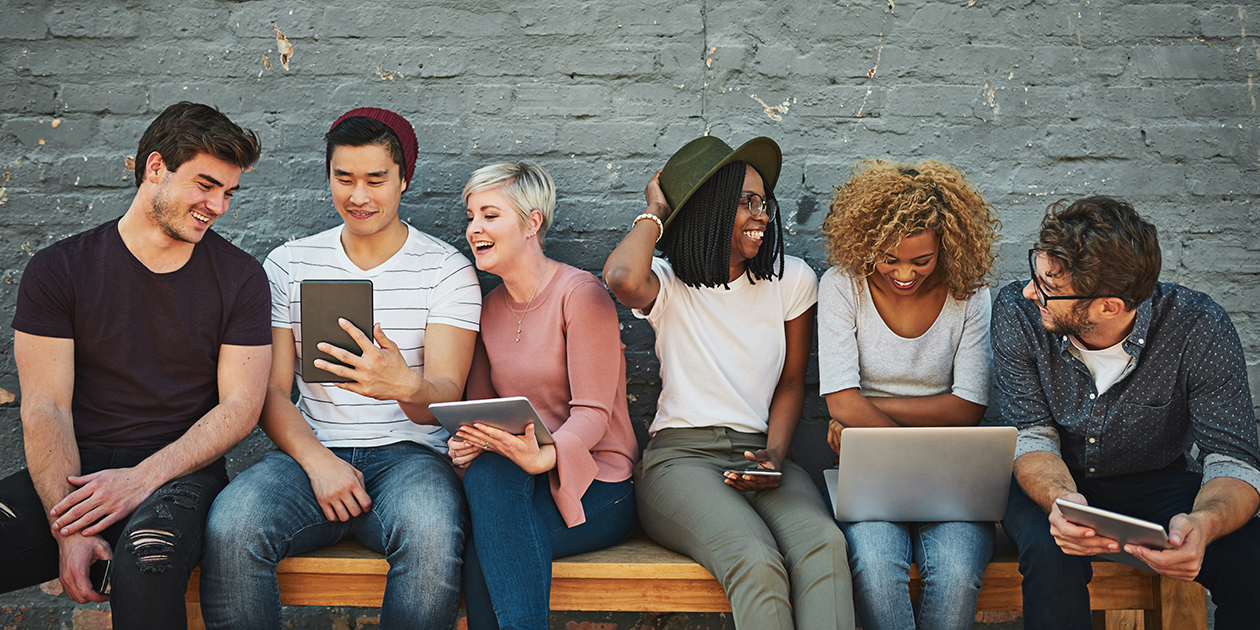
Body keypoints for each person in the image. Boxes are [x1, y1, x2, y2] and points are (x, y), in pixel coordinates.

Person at [199, 108, 481, 630]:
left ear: (404, 180)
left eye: (377, 179)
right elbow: (273, 393)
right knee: (232, 526)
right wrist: (318, 462)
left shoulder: (446, 270)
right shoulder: (289, 264)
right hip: (311, 451)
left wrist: (406, 385)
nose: (359, 196)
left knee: (432, 533)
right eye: (344, 178)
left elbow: (443, 398)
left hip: (410, 458)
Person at [0, 102, 269, 629]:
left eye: (228, 193)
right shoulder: (60, 269)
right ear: (154, 168)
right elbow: (45, 405)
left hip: (179, 475)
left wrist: (141, 479)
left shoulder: (240, 277)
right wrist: (69, 529)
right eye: (205, 185)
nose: (217, 205)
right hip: (74, 472)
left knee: (148, 562)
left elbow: (242, 406)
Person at [603, 136, 854, 630]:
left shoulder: (792, 280)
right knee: (755, 560)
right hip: (680, 461)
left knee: (825, 547)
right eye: (746, 202)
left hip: (762, 454)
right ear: (712, 209)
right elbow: (621, 277)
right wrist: (655, 209)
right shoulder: (669, 282)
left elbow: (790, 384)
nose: (761, 215)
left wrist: (777, 455)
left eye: (764, 203)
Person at [993, 196, 1260, 630]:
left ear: (1109, 307)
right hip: (1051, 476)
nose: (1029, 291)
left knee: (1251, 556)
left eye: (1048, 287)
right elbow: (1033, 434)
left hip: (1155, 479)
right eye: (1035, 273)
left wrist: (1204, 523)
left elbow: (1233, 460)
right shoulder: (1018, 312)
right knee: (1051, 548)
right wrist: (1063, 501)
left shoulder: (1198, 326)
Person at [450, 161, 639, 630]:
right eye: (471, 216)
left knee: (485, 548)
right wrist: (468, 443)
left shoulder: (581, 294)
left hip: (598, 483)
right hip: (516, 483)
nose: (474, 229)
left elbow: (594, 415)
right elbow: (481, 415)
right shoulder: (487, 309)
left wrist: (545, 458)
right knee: (488, 474)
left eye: (490, 215)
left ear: (532, 222)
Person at [818, 159, 1000, 630]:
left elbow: (968, 408)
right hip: (868, 475)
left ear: (947, 247)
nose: (904, 274)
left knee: (958, 574)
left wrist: (863, 415)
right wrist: (851, 411)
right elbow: (838, 402)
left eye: (922, 261)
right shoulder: (843, 286)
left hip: (950, 475)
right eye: (889, 259)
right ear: (866, 245)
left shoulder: (969, 294)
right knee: (876, 572)